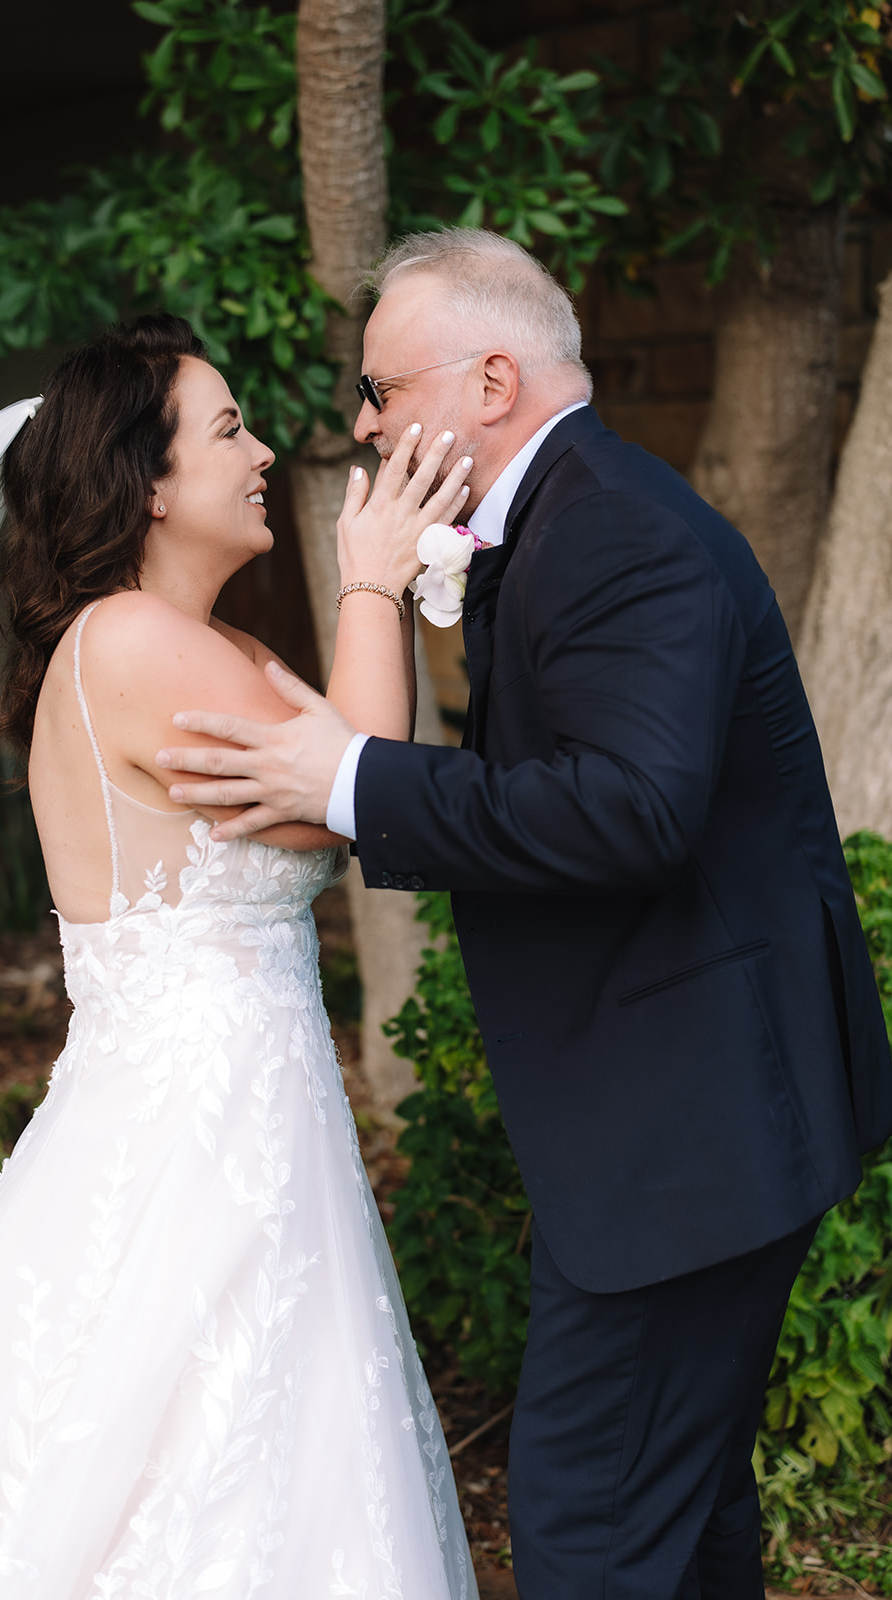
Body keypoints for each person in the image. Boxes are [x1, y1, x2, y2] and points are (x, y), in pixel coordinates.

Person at [156, 230, 892, 1600]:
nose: (364, 424)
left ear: (488, 379)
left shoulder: (608, 528)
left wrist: (356, 779)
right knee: (677, 1530)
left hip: (688, 1139)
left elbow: (629, 812)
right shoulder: (567, 519)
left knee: (585, 1535)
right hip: (679, 1127)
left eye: (381, 389)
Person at [0, 313, 479, 1597]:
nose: (259, 452)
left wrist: (371, 608)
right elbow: (362, 788)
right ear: (148, 482)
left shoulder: (222, 650)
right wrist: (366, 582)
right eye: (227, 429)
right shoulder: (128, 644)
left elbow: (368, 781)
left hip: (253, 1108)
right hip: (192, 1125)